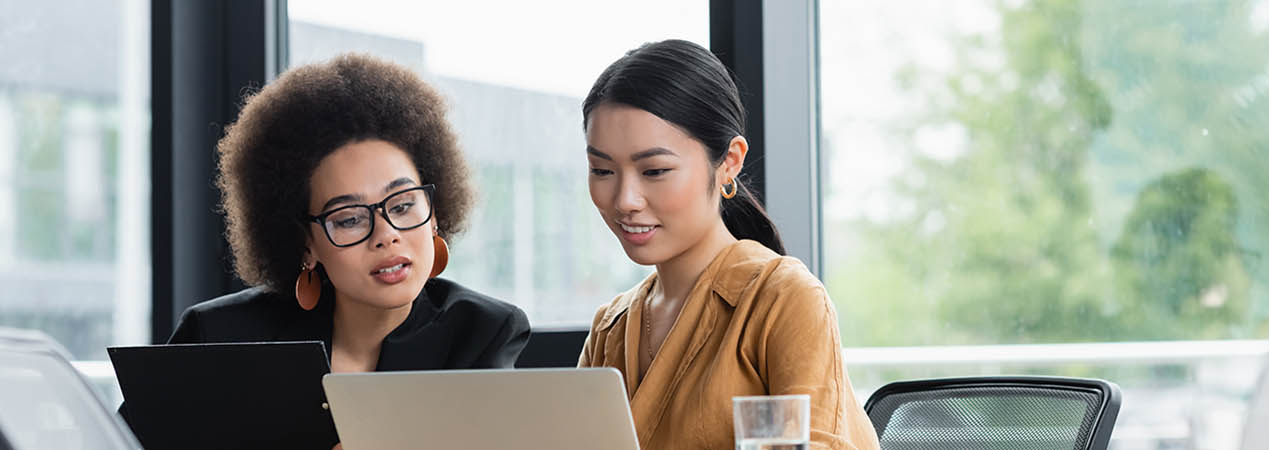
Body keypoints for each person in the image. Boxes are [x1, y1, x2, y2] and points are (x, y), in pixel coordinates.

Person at [138, 54, 530, 448]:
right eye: (349, 219)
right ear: (306, 245)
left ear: (433, 217)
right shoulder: (219, 338)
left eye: (403, 205)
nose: (387, 234)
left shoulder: (482, 334)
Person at [576, 40, 881, 450]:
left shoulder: (783, 299)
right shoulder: (609, 327)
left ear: (730, 161)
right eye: (602, 170)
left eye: (655, 170)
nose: (625, 200)